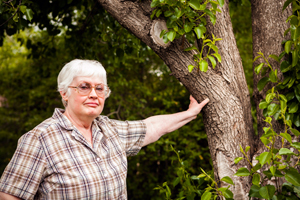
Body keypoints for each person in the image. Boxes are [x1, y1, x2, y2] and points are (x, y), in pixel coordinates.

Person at [0, 59, 209, 200]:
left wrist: (190, 113)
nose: (94, 94)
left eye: (99, 88)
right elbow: (10, 196)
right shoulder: (40, 139)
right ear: (64, 93)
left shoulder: (109, 130)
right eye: (84, 86)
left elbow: (151, 127)